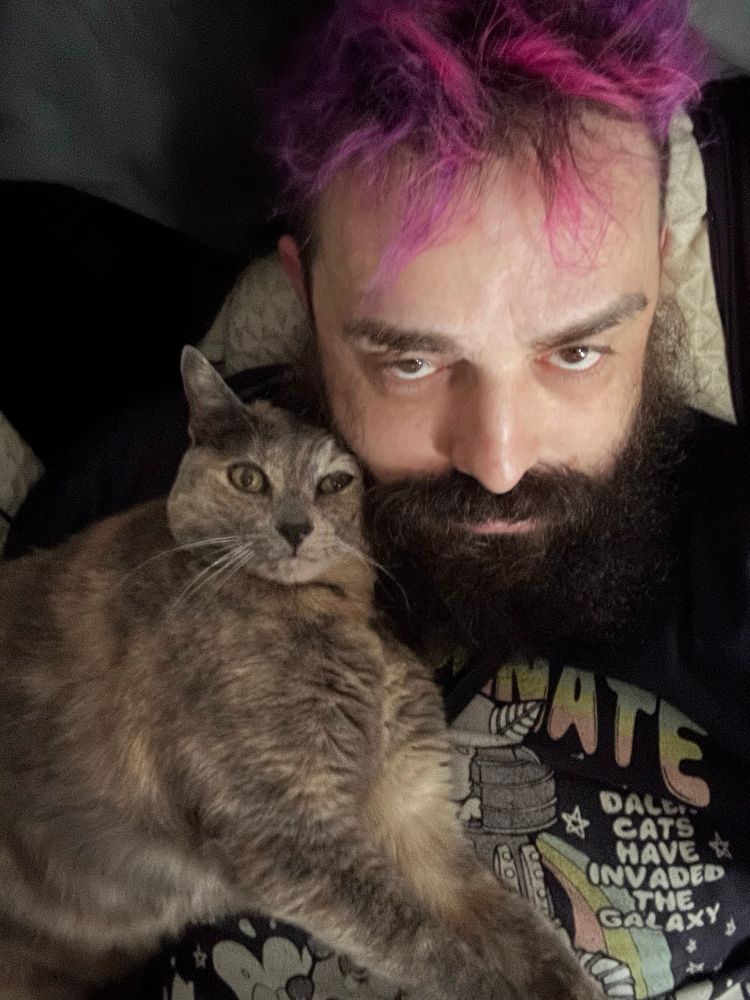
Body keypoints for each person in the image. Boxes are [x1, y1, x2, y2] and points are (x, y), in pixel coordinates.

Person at [4, 1, 750, 998]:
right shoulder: (143, 494)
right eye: (409, 360)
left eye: (576, 350)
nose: (496, 459)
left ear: (662, 274)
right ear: (305, 297)